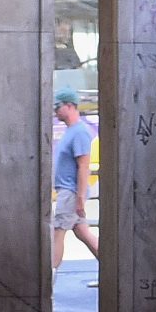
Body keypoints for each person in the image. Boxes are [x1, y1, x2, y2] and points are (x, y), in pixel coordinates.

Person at [51, 88, 99, 270]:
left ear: (70, 106)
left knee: (58, 233)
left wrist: (79, 198)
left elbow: (83, 166)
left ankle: (49, 283)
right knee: (83, 233)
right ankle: (114, 271)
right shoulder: (71, 131)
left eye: (58, 106)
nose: (55, 111)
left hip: (70, 192)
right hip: (69, 191)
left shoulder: (79, 132)